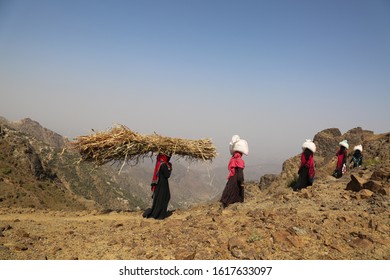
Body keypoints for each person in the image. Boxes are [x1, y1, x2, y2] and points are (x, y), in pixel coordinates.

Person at [220, 135, 248, 208]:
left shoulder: (233, 159)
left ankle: (225, 203)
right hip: (236, 179)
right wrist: (241, 181)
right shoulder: (239, 160)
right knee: (236, 191)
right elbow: (240, 172)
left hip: (232, 178)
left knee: (229, 190)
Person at [143, 153, 172, 220]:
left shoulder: (160, 163)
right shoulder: (164, 165)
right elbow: (167, 175)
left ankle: (159, 213)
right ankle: (160, 214)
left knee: (160, 198)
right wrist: (170, 168)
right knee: (164, 198)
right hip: (163, 184)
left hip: (160, 184)